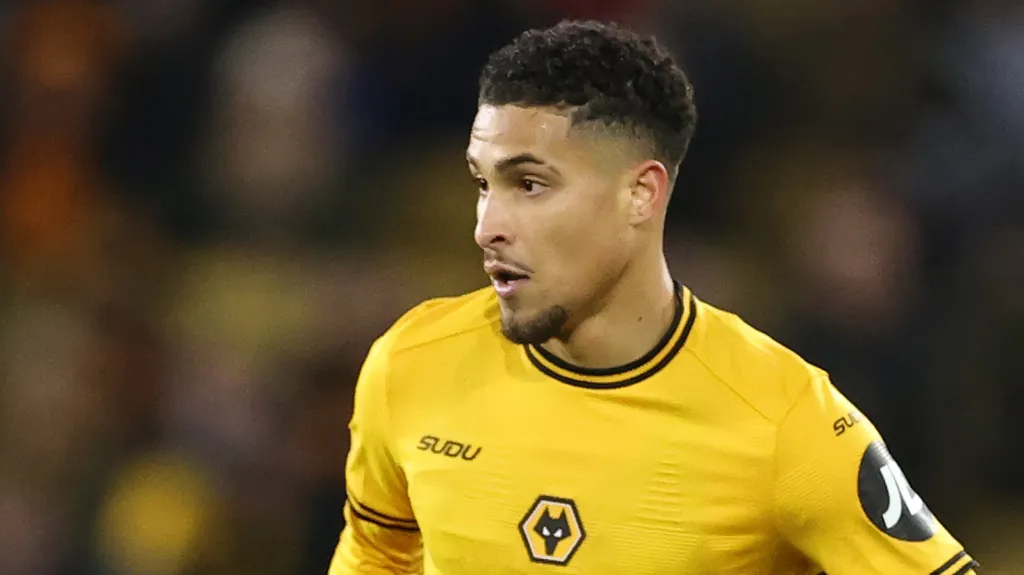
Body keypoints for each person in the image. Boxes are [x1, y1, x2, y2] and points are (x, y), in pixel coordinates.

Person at [328, 20, 977, 574]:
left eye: (529, 184)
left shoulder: (787, 421)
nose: (486, 226)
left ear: (641, 194)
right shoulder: (412, 361)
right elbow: (375, 553)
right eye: (482, 182)